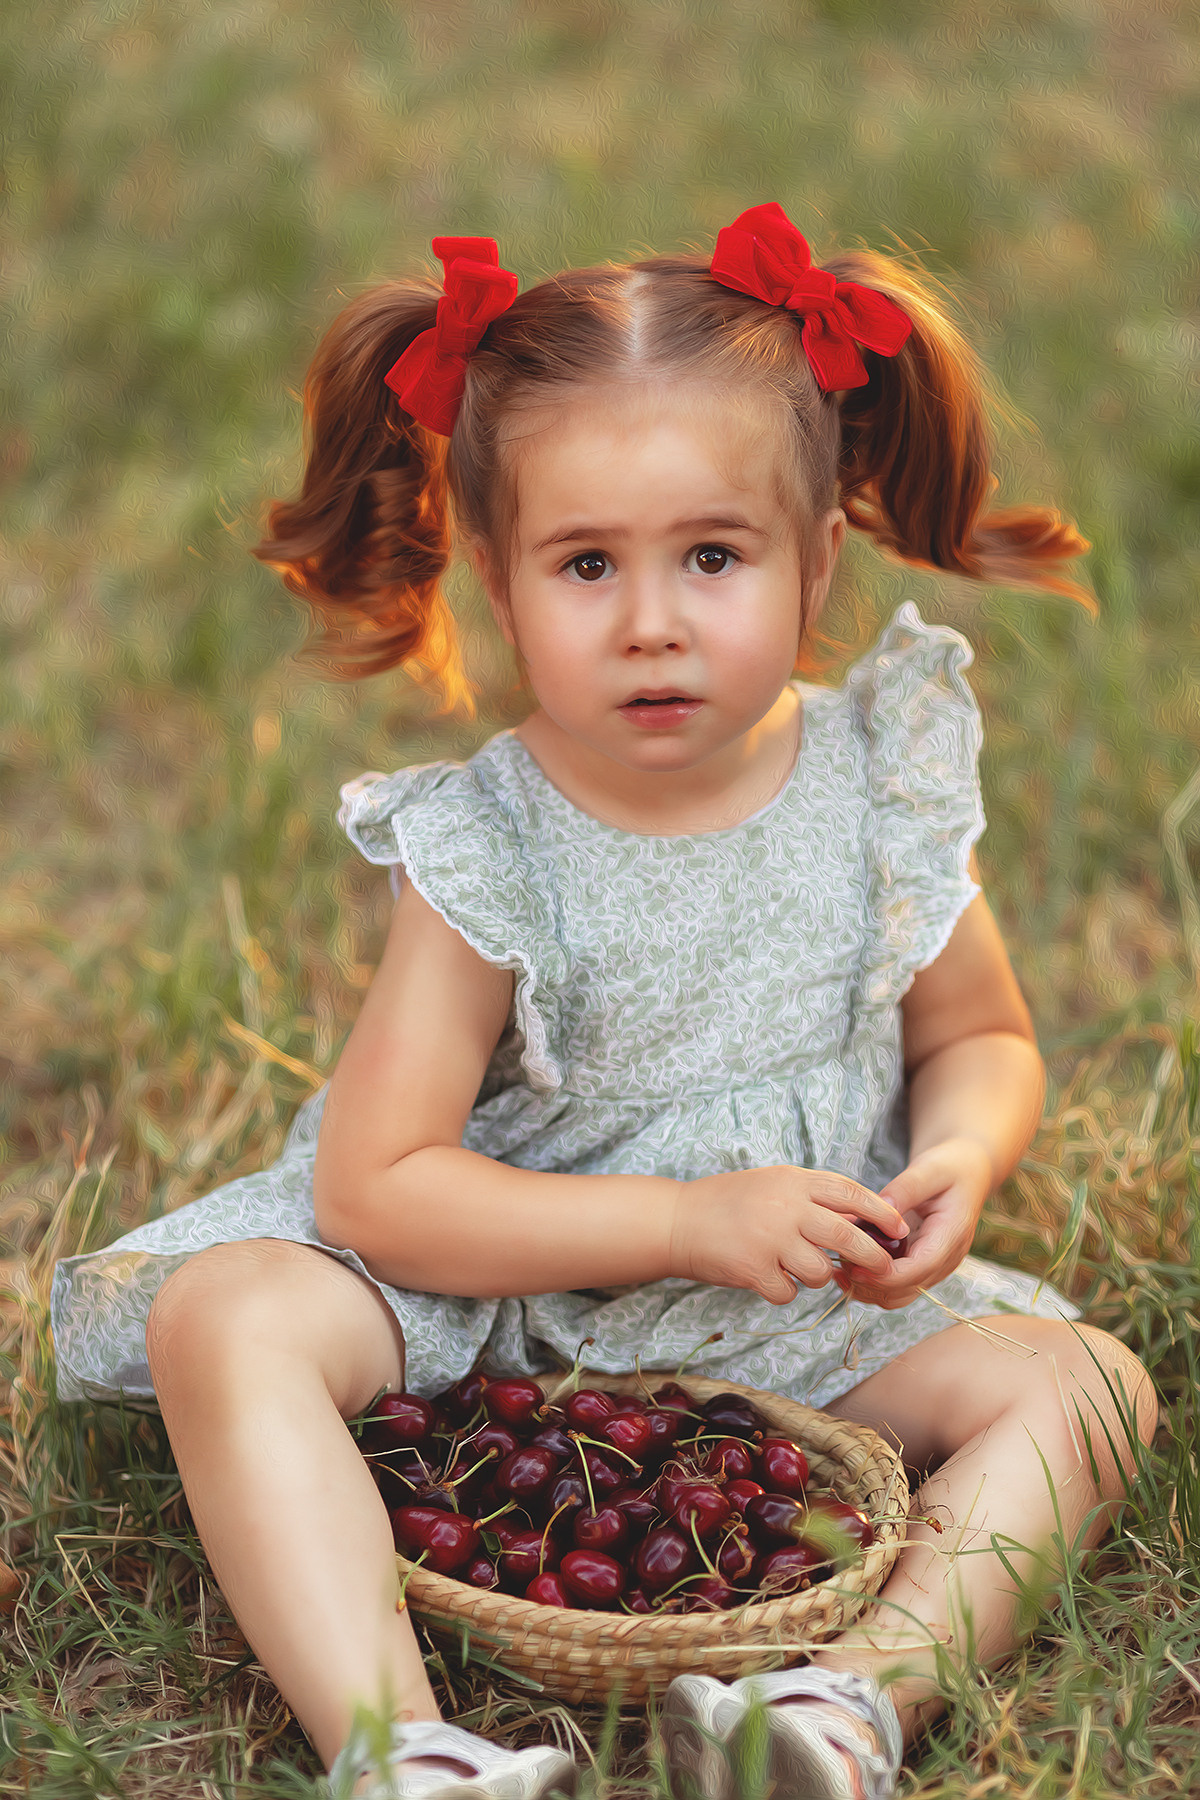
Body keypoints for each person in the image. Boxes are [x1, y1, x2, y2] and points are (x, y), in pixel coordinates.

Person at [51, 204, 1157, 1800]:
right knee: (230, 1313)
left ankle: (846, 1710)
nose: (652, 620)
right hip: (489, 1308)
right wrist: (685, 1218)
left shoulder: (876, 782)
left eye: (712, 555)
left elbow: (978, 1036)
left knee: (1092, 1392)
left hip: (800, 1318)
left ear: (817, 558)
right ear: (498, 580)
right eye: (587, 564)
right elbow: (382, 1189)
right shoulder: (492, 847)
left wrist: (962, 1162)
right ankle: (398, 1749)